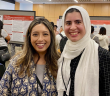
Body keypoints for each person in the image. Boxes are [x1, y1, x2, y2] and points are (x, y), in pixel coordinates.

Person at [57, 6, 110, 96]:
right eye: (68, 23)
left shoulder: (102, 55)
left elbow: (107, 90)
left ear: (86, 24)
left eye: (78, 22)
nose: (73, 27)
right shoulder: (65, 51)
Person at [0, 18, 59, 95]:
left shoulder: (59, 63)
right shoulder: (17, 62)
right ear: (29, 37)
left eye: (45, 34)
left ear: (51, 37)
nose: (40, 39)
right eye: (35, 34)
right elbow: (3, 91)